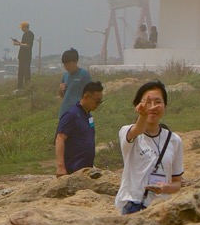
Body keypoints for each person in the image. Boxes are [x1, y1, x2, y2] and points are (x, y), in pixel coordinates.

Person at [115, 79, 184, 214]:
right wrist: (143, 115)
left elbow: (177, 182)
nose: (152, 107)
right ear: (138, 106)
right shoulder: (128, 133)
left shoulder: (174, 140)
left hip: (162, 208)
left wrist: (165, 188)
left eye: (158, 102)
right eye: (147, 102)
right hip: (134, 206)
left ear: (165, 106)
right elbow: (138, 130)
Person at [55, 79, 104, 176]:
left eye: (100, 102)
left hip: (86, 170)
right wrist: (60, 166)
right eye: (97, 101)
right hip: (72, 170)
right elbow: (60, 138)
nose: (98, 105)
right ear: (86, 97)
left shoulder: (88, 116)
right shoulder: (72, 115)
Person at [57, 49, 92, 114]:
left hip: (79, 112)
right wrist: (60, 90)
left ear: (76, 62)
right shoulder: (65, 75)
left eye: (68, 64)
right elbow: (62, 96)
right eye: (65, 65)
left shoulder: (84, 74)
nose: (66, 67)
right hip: (65, 112)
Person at [11, 21, 34, 87]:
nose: (21, 29)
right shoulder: (24, 34)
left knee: (26, 71)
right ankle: (20, 86)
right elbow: (23, 43)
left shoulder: (30, 34)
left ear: (25, 27)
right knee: (20, 72)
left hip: (27, 56)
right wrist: (18, 42)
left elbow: (28, 45)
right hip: (21, 55)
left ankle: (27, 86)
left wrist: (19, 44)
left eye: (22, 28)